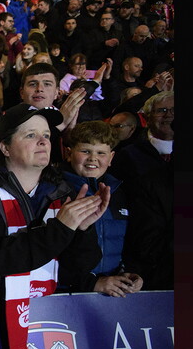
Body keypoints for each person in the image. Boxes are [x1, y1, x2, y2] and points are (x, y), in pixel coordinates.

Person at [0, 103, 105, 349]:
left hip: (50, 318)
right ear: (5, 148)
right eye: (30, 135)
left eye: (46, 135)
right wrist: (62, 228)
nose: (43, 141)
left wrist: (82, 232)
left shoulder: (63, 192)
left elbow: (78, 268)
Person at [60, 120, 143, 297]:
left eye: (101, 153)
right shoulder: (55, 191)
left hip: (111, 291)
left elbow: (128, 242)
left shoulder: (119, 192)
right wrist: (92, 283)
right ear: (69, 153)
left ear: (111, 158)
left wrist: (128, 273)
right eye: (85, 151)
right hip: (65, 296)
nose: (93, 158)